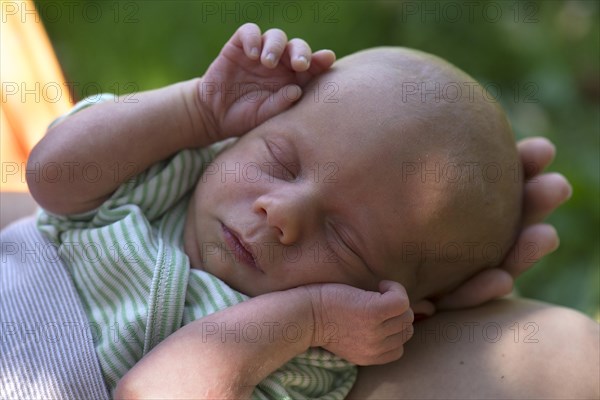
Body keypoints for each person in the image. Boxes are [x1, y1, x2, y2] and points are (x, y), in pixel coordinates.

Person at [24, 24, 595, 399]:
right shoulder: (166, 175)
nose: (282, 212)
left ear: (380, 301)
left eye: (345, 239)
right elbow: (50, 177)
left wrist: (311, 319)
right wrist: (196, 109)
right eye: (279, 160)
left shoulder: (305, 362)